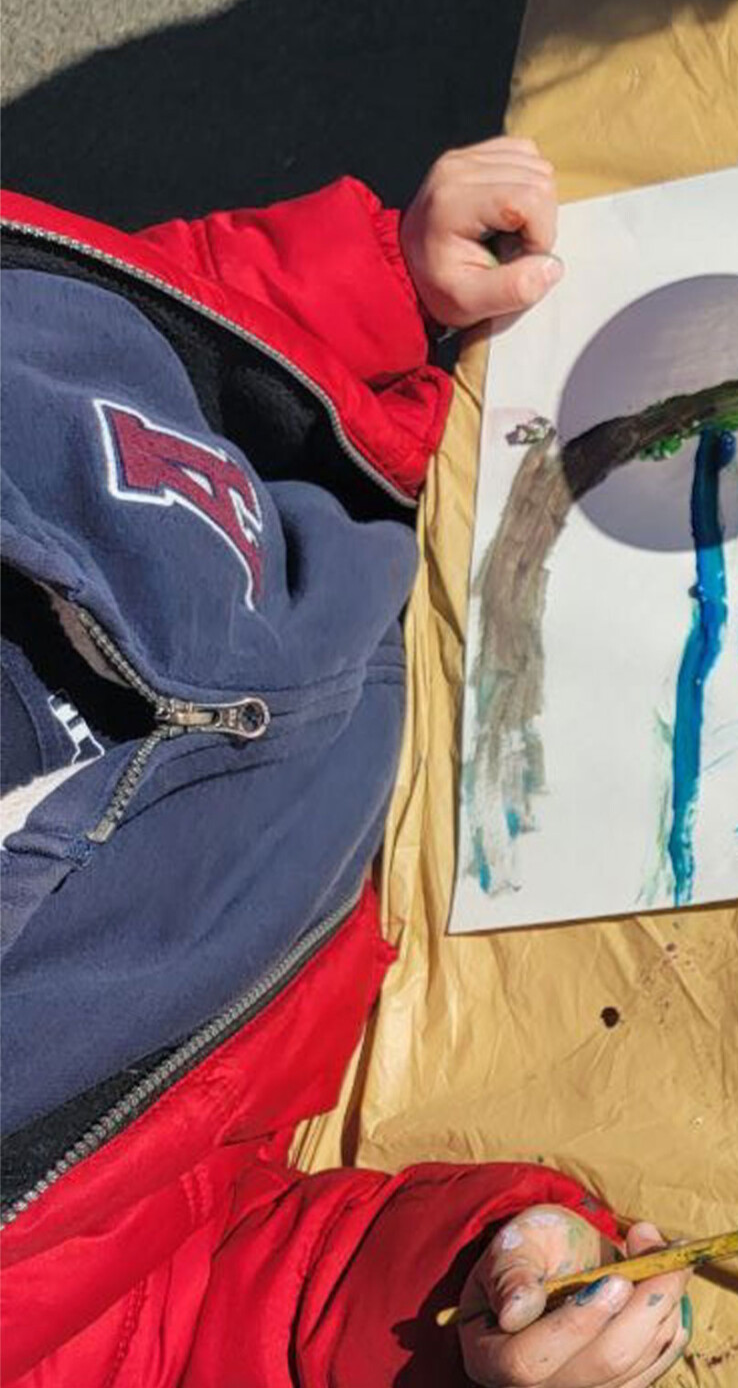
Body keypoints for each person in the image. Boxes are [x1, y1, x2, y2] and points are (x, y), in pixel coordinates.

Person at [1, 139, 692, 1387]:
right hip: (419, 917)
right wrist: (468, 1308)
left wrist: (376, 287)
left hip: (392, 494)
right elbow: (211, 1304)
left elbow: (127, 325)